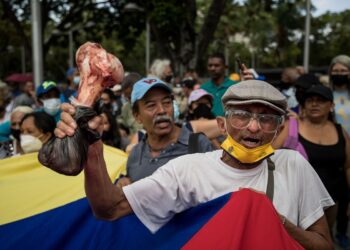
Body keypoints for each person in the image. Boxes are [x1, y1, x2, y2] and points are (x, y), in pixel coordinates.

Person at [55, 80, 334, 249]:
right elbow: (109, 208)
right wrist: (92, 148)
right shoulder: (188, 170)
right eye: (242, 115)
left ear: (277, 129)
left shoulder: (292, 165)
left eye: (267, 119)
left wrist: (278, 224)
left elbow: (324, 245)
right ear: (222, 125)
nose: (253, 126)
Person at [273, 84, 350, 242]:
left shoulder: (340, 130)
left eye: (320, 100)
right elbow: (269, 156)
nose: (314, 104)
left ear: (331, 106)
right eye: (310, 100)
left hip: (331, 201)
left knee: (323, 240)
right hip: (297, 201)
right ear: (304, 105)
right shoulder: (291, 127)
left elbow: (348, 167)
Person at [328, 54, 350, 249]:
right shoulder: (325, 95)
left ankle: (342, 232)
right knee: (336, 191)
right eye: (336, 71)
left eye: (343, 71)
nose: (340, 74)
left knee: (347, 195)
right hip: (334, 149)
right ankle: (328, 233)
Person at [201, 52, 237, 117]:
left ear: (225, 67)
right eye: (210, 65)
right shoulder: (202, 89)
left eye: (216, 65)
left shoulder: (235, 87)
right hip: (208, 126)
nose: (212, 68)